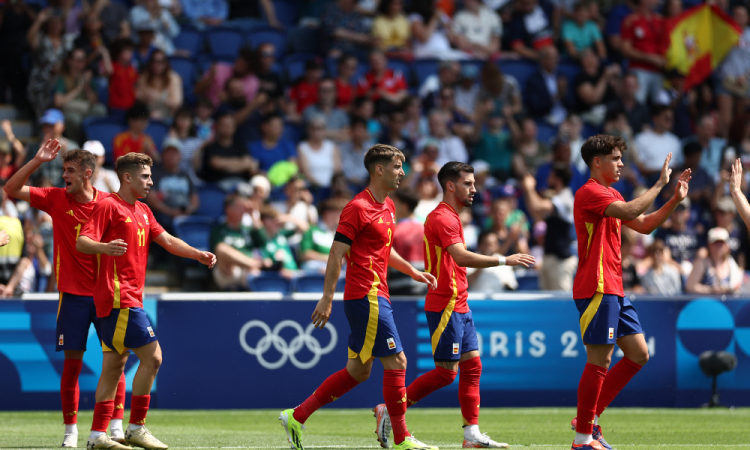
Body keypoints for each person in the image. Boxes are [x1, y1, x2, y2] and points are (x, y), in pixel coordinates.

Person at [279, 144, 439, 450]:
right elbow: (337, 253)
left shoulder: (389, 205)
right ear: (379, 170)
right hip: (366, 295)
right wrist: (327, 297)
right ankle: (403, 439)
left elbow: (384, 250)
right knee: (398, 361)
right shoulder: (357, 207)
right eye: (396, 167)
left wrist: (412, 272)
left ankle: (296, 416)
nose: (402, 172)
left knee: (359, 371)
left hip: (379, 295)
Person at [383, 162, 534, 448]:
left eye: (474, 183)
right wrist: (504, 259)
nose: (474, 189)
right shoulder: (442, 217)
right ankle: (390, 409)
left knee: (473, 367)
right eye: (468, 184)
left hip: (459, 303)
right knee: (445, 372)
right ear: (450, 186)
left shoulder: (453, 216)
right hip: (445, 305)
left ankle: (471, 435)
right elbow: (461, 257)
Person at [76, 153, 215, 450]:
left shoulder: (143, 210)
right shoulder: (107, 205)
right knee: (153, 358)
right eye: (145, 176)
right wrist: (104, 247)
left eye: (150, 176)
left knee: (114, 366)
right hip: (119, 298)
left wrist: (197, 253)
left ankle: (97, 435)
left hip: (125, 298)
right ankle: (136, 428)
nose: (151, 181)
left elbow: (167, 241)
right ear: (127, 177)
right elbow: (82, 242)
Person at [570, 134, 691, 450]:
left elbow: (646, 224)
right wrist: (659, 184)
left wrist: (674, 199)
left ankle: (588, 417)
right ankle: (583, 437)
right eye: (616, 158)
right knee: (600, 359)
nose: (622, 163)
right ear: (597, 162)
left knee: (638, 354)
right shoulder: (590, 192)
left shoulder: (610, 194)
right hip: (596, 286)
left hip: (614, 288)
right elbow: (628, 213)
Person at [4, 141, 127, 448]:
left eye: (69, 171)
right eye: (62, 170)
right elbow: (12, 187)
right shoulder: (56, 198)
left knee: (115, 363)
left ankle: (116, 427)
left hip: (105, 294)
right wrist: (36, 160)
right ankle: (70, 432)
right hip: (72, 296)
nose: (63, 176)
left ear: (88, 174)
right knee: (72, 366)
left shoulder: (110, 203)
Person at [521, 166, 577, 291]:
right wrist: (528, 190)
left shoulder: (565, 198)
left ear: (558, 180)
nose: (547, 179)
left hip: (561, 262)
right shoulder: (556, 197)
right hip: (549, 258)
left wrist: (530, 188)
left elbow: (536, 206)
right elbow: (534, 210)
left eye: (550, 176)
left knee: (562, 305)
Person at [210, 193, 265, 290]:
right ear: (229, 209)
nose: (244, 211)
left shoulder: (247, 229)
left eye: (245, 208)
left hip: (248, 272)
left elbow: (264, 242)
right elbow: (217, 254)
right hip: (229, 271)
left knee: (255, 273)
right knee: (221, 248)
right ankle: (253, 264)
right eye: (240, 207)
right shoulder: (219, 230)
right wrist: (251, 263)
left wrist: (253, 215)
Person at [53, 48, 108, 144]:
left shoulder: (88, 77)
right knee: (73, 119)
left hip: (87, 109)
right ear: (69, 61)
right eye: (78, 60)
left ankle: (93, 143)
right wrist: (78, 89)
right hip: (72, 110)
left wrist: (87, 86)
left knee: (100, 109)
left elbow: (94, 101)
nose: (81, 63)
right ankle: (75, 145)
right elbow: (58, 102)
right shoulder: (63, 78)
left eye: (83, 60)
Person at [145, 138, 199, 233]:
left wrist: (189, 210)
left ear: (180, 156)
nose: (172, 156)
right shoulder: (155, 174)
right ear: (163, 155)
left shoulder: (185, 175)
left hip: (185, 213)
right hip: (164, 214)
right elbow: (151, 198)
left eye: (175, 153)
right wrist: (170, 212)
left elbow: (194, 197)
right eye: (169, 153)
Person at [620, 0, 666, 104]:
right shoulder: (630, 20)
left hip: (659, 70)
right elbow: (625, 49)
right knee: (638, 103)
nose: (657, 1)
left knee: (661, 106)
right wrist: (649, 58)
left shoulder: (661, 20)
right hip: (639, 69)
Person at [198, 112, 257, 190]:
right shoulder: (211, 146)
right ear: (217, 127)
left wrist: (225, 164)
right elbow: (216, 163)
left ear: (234, 127)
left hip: (241, 184)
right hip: (217, 186)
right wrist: (240, 164)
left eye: (230, 125)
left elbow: (247, 163)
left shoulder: (240, 146)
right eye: (224, 125)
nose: (227, 127)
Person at [26, 9, 67, 120]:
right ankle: (42, 130)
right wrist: (39, 20)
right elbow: (30, 39)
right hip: (41, 80)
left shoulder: (66, 41)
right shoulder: (42, 39)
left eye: (58, 23)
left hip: (59, 80)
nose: (55, 26)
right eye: (52, 23)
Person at [686, 227, 743, 294]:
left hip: (727, 303)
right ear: (709, 244)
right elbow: (690, 286)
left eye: (721, 242)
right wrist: (710, 290)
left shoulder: (731, 263)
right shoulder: (702, 262)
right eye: (715, 242)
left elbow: (737, 287)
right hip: (706, 302)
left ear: (726, 245)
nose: (718, 246)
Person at [634, 105, 682, 182]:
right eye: (666, 118)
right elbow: (641, 168)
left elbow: (677, 165)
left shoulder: (675, 140)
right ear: (655, 119)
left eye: (671, 119)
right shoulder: (641, 139)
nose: (670, 121)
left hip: (671, 180)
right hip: (650, 180)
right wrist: (662, 172)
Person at [300, 198, 345, 272]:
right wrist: (328, 258)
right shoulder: (311, 231)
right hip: (315, 271)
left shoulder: (339, 235)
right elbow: (305, 254)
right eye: (339, 212)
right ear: (328, 213)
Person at [136, 49, 182, 120]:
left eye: (160, 62)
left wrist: (158, 97)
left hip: (166, 110)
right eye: (153, 61)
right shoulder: (144, 76)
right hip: (146, 109)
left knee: (155, 115)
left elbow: (176, 104)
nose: (156, 65)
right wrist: (144, 98)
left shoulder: (174, 78)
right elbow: (137, 96)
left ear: (165, 63)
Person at [298, 116, 341, 189]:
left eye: (319, 129)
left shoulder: (332, 146)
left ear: (324, 130)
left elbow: (337, 170)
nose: (316, 132)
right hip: (312, 187)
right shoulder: (302, 147)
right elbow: (306, 172)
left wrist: (331, 185)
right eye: (313, 129)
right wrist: (321, 186)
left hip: (332, 187)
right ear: (309, 130)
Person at [108, 38, 138, 113]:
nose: (130, 54)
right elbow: (108, 71)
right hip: (116, 106)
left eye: (131, 51)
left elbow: (136, 84)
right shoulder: (113, 67)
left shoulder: (132, 68)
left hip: (131, 105)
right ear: (117, 53)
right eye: (127, 51)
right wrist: (105, 53)